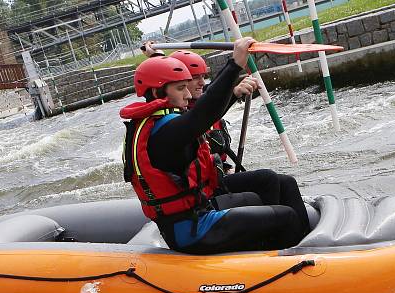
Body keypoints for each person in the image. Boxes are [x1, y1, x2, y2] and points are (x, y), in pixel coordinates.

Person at [120, 38, 308, 255]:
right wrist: (235, 64)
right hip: (193, 230)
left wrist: (157, 55)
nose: (189, 94)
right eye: (181, 88)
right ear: (157, 93)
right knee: (286, 216)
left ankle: (284, 248)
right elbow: (204, 112)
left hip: (196, 215)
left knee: (271, 188)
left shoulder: (160, 123)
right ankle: (292, 264)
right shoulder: (164, 133)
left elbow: (205, 106)